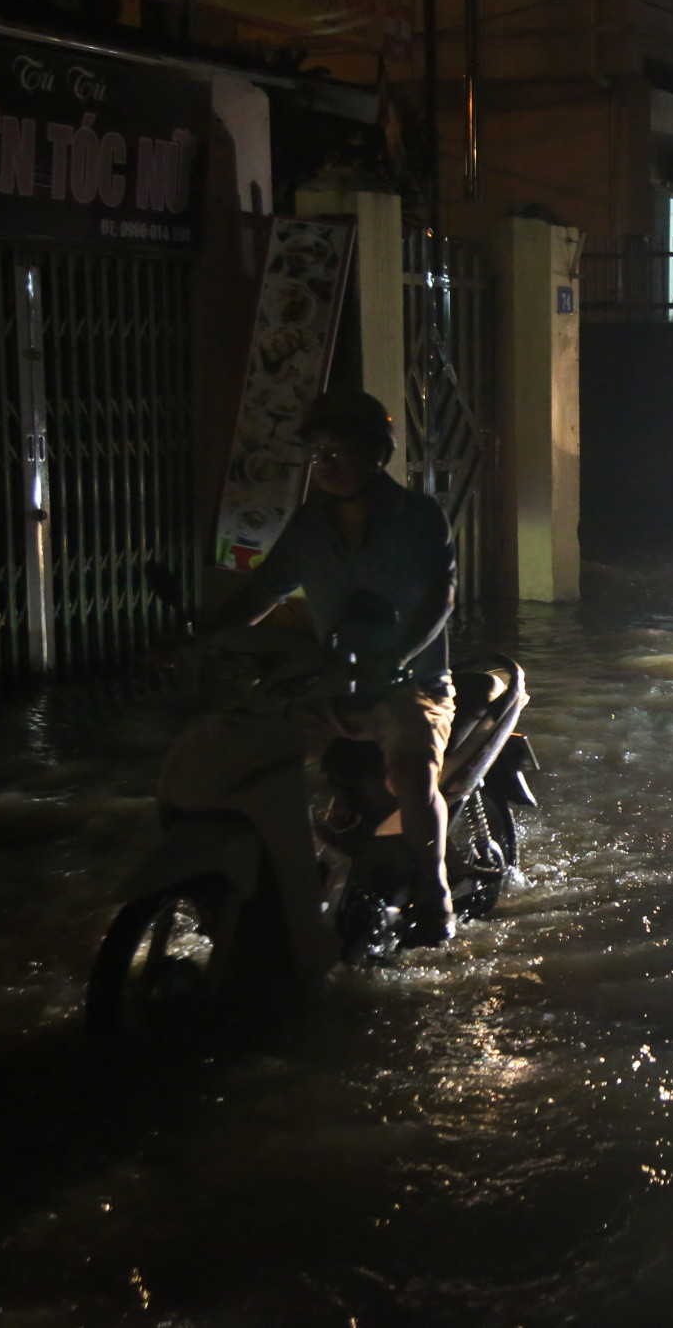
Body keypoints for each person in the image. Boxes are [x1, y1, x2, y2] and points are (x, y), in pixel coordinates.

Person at [206, 391, 460, 945]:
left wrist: (396, 655)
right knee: (258, 761)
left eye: (338, 452)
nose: (325, 464)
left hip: (409, 685)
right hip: (332, 685)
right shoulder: (308, 525)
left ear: (376, 454)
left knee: (411, 776)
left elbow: (440, 598)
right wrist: (205, 638)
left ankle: (435, 892)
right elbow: (262, 593)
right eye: (317, 453)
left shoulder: (419, 517)